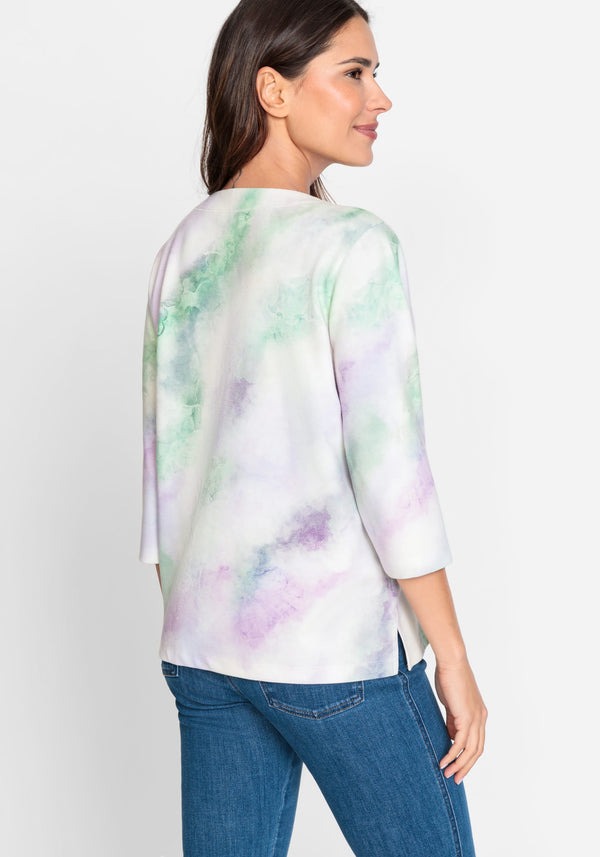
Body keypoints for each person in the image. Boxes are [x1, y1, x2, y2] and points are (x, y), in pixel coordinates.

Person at [139, 1, 487, 854]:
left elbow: (165, 473)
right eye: (354, 73)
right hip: (333, 654)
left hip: (205, 650)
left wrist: (200, 615)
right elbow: (392, 475)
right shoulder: (351, 245)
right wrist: (451, 654)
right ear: (274, 90)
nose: (380, 97)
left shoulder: (184, 247)